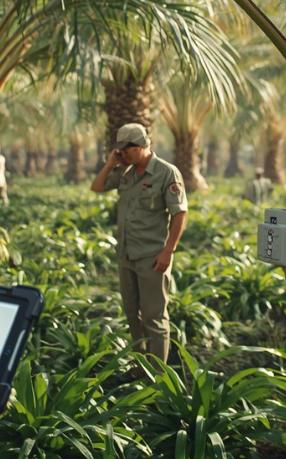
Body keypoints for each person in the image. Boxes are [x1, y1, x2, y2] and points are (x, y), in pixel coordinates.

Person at [90, 123, 188, 381]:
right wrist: (111, 163)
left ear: (142, 145)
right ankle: (141, 366)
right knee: (133, 314)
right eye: (119, 149)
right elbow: (97, 187)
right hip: (126, 254)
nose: (123, 153)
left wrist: (169, 251)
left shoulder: (166, 173)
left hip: (152, 255)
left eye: (127, 148)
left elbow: (180, 214)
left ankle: (158, 376)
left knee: (154, 318)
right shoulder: (126, 173)